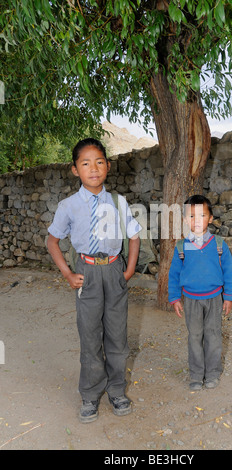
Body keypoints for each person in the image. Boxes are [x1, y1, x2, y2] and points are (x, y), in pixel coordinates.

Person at [47, 138, 141, 423]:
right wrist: (67, 273)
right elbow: (52, 241)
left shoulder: (118, 202)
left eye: (99, 162)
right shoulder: (68, 206)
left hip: (114, 271)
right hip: (85, 273)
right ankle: (89, 395)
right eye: (85, 163)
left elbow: (134, 236)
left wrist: (130, 270)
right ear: (75, 169)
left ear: (108, 166)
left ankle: (116, 391)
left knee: (117, 336)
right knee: (89, 338)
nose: (93, 168)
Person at [168, 195, 232, 391]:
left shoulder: (219, 245)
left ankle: (212, 372)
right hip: (191, 300)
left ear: (211, 218)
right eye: (191, 216)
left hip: (214, 298)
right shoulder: (181, 247)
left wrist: (229, 297)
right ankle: (196, 374)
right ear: (185, 220)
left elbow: (228, 271)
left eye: (202, 215)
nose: (196, 220)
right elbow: (174, 275)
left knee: (213, 335)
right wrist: (174, 298)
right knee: (195, 336)